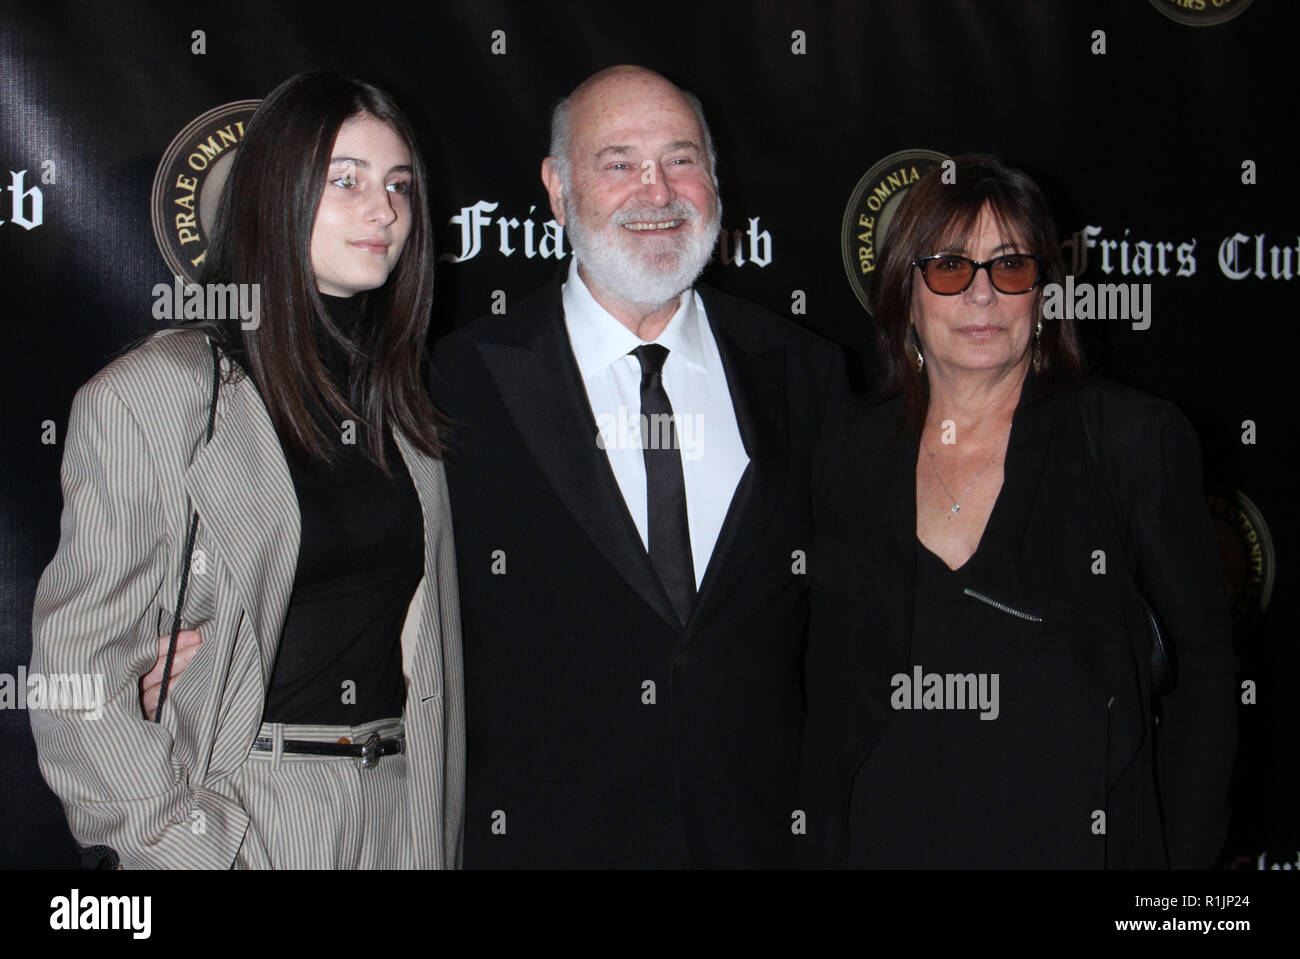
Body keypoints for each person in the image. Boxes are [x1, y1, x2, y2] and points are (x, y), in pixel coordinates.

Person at [29, 71, 463, 869]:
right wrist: (185, 847)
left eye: (400, 185)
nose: (386, 210)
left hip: (402, 813)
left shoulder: (401, 407)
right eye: (347, 181)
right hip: (248, 815)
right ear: (274, 192)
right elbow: (77, 678)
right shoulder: (156, 398)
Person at [430, 65, 848, 867]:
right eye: (618, 162)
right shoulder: (457, 382)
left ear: (716, 183)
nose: (656, 191)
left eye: (682, 159)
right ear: (558, 190)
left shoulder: (806, 373)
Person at [800, 153, 1237, 868]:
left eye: (1009, 267)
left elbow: (1206, 683)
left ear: (1044, 294)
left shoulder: (1129, 442)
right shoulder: (845, 456)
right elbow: (824, 701)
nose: (981, 295)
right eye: (948, 267)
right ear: (904, 294)